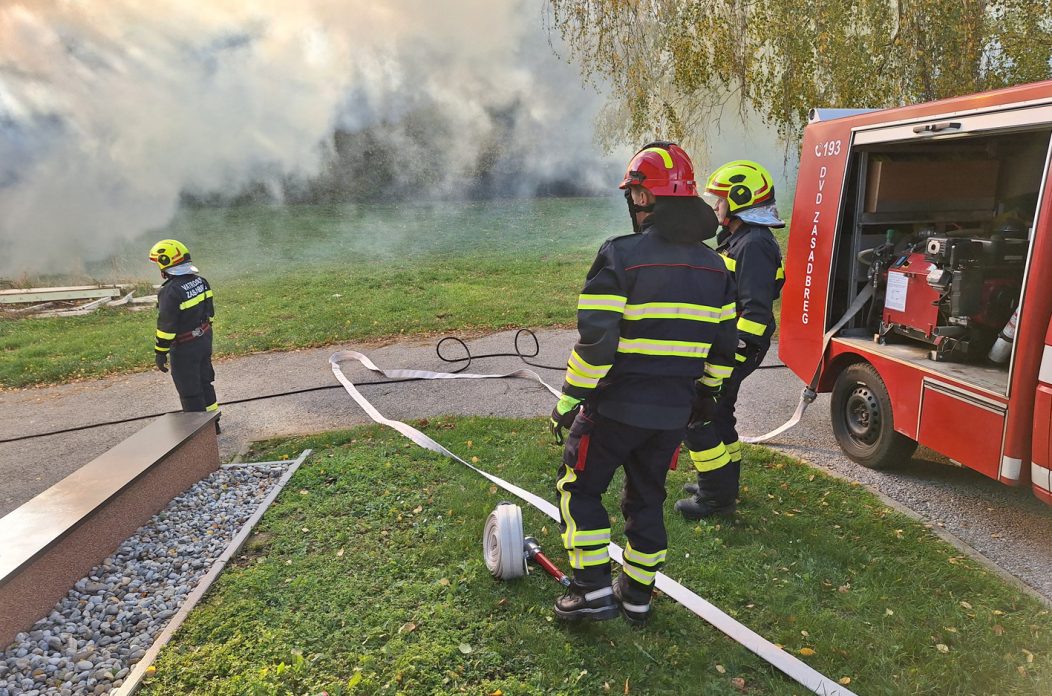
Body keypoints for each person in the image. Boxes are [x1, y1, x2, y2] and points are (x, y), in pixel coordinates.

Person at [548, 142, 737, 624]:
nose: (632, 204)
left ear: (645, 198)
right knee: (647, 500)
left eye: (635, 194)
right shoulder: (717, 268)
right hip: (672, 415)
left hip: (613, 411)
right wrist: (707, 394)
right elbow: (723, 348)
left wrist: (569, 400)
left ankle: (591, 592)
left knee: (580, 490)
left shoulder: (621, 255)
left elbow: (596, 345)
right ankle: (637, 597)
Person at [675, 160, 786, 519]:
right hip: (729, 344)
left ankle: (715, 497)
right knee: (720, 413)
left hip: (738, 345)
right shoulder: (740, 237)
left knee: (698, 416)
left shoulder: (753, 245)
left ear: (740, 200)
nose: (715, 206)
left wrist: (733, 358)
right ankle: (724, 481)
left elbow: (754, 313)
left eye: (720, 200)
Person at [148, 239, 220, 431]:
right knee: (205, 382)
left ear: (165, 264)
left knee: (190, 391)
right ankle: (214, 425)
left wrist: (160, 352)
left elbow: (166, 326)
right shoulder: (201, 281)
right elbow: (209, 311)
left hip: (185, 347)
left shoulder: (170, 291)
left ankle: (201, 434)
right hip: (204, 339)